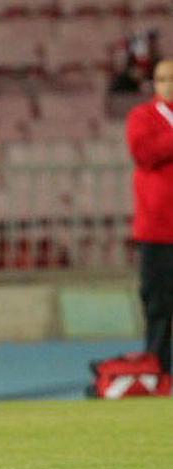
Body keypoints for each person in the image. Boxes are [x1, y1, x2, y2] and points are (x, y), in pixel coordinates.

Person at [127, 58, 173, 390]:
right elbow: (145, 152)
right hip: (157, 229)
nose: (167, 85)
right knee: (158, 305)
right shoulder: (142, 116)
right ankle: (159, 372)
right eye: (161, 79)